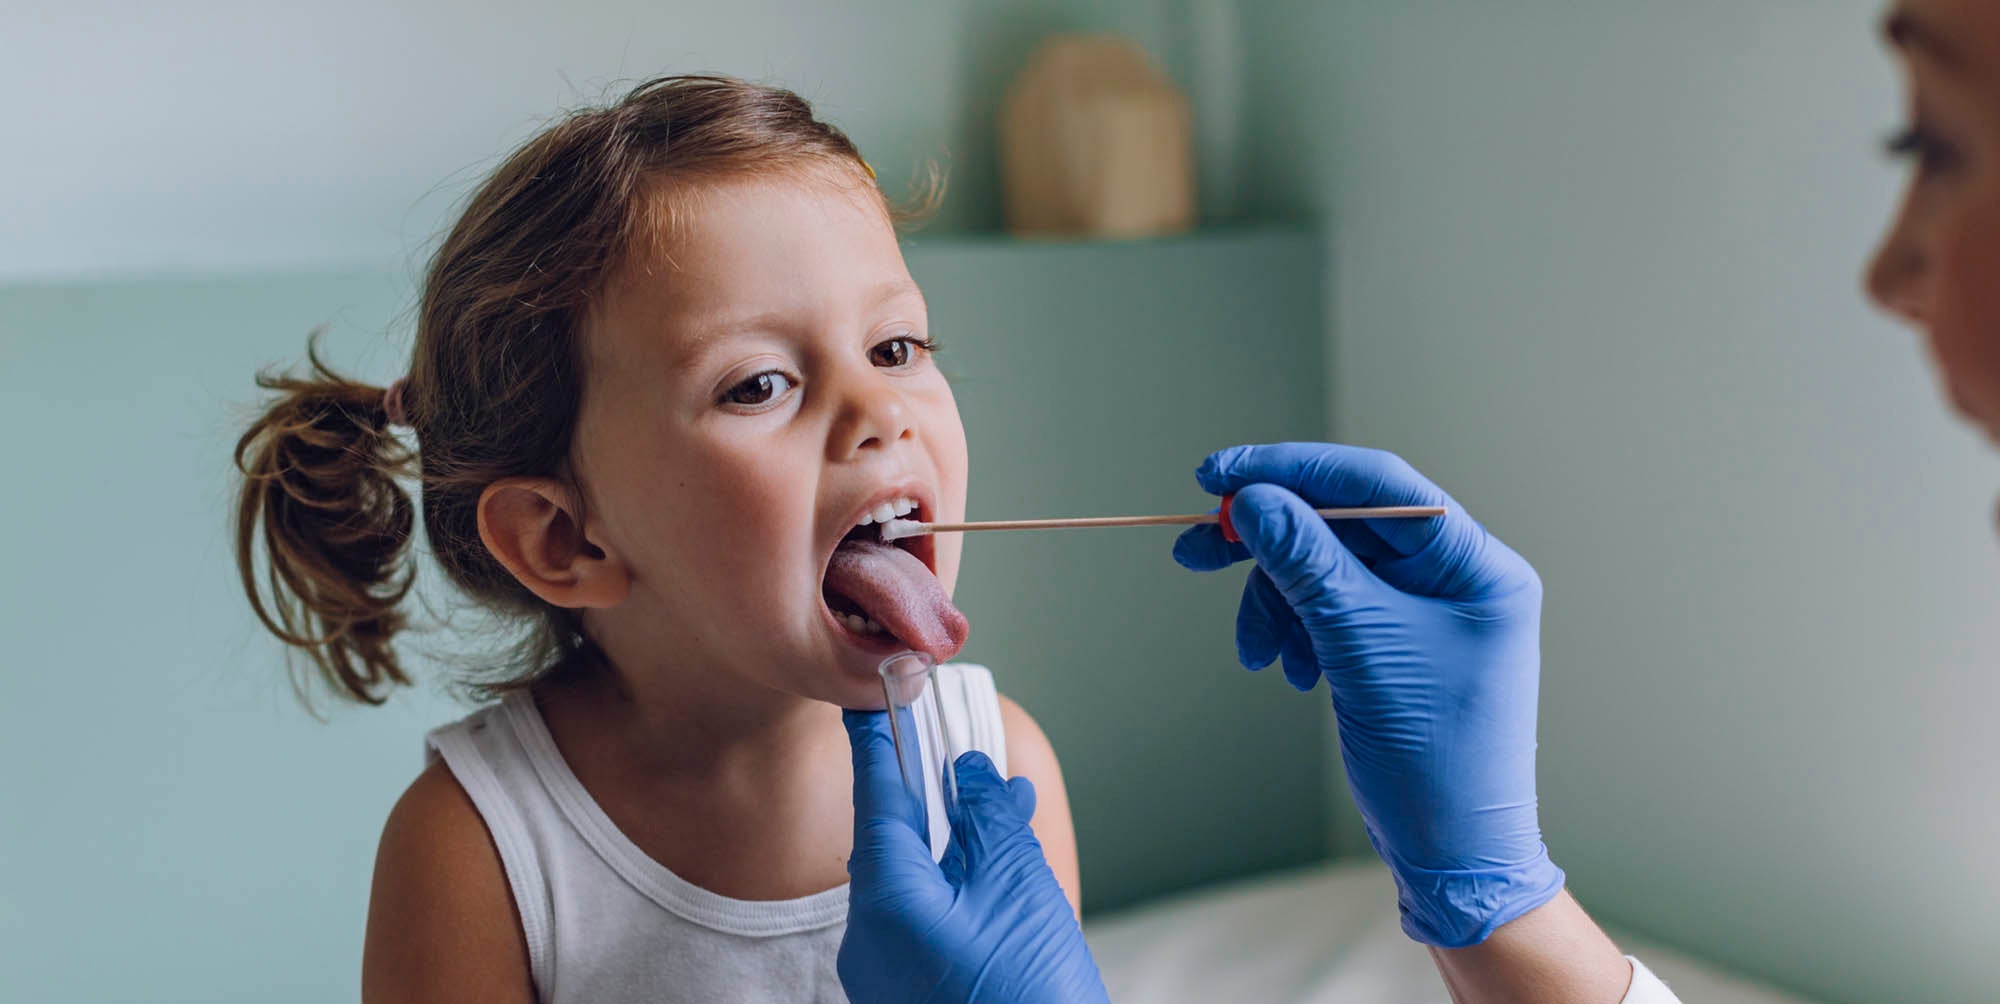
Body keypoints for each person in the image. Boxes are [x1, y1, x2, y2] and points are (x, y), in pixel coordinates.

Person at [836, 2, 1991, 1001]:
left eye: (1933, 145)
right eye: (758, 384)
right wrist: (1500, 907)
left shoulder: (996, 760)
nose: (1886, 272)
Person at [231, 76, 1081, 1003]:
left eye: (896, 348)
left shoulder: (999, 773)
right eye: (758, 384)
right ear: (563, 541)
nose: (880, 411)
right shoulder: (479, 852)